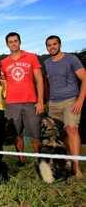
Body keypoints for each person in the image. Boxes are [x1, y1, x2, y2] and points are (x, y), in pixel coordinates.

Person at [44, 35, 86, 178]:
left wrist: (80, 100)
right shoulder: (47, 63)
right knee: (60, 135)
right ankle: (68, 160)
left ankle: (76, 168)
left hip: (70, 101)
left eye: (54, 44)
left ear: (60, 44)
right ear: (46, 48)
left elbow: (84, 78)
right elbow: (48, 84)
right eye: (49, 45)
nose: (52, 47)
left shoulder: (71, 59)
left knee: (72, 129)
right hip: (53, 103)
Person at [1, 32, 44, 166]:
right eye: (10, 41)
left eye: (15, 41)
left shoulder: (31, 57)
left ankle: (39, 160)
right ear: (7, 44)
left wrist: (41, 101)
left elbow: (39, 80)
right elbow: (3, 84)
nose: (13, 43)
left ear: (20, 42)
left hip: (30, 102)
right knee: (16, 134)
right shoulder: (3, 62)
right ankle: (21, 160)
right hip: (12, 104)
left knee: (35, 134)